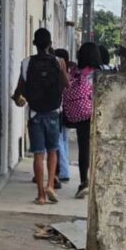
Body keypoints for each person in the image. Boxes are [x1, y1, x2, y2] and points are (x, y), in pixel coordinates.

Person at [12, 28, 69, 205]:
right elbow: (66, 84)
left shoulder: (27, 63)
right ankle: (50, 185)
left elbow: (19, 90)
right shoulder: (59, 61)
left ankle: (41, 196)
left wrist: (17, 99)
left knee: (38, 154)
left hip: (35, 114)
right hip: (53, 113)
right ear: (50, 44)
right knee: (53, 151)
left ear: (34, 44)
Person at [64, 42, 100, 199]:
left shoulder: (76, 73)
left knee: (83, 149)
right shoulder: (100, 74)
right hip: (98, 114)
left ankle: (84, 182)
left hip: (82, 116)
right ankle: (97, 183)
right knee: (98, 149)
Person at [53, 48, 73, 185]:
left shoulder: (61, 73)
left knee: (59, 141)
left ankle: (64, 171)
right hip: (70, 112)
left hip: (61, 112)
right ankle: (64, 170)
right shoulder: (73, 72)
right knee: (64, 141)